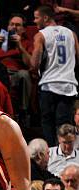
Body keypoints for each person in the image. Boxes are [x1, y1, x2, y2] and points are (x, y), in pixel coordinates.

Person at [31, 5, 78, 147]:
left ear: (45, 18)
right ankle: (68, 156)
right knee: (65, 124)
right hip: (68, 85)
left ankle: (52, 156)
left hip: (49, 84)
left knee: (48, 124)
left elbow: (34, 63)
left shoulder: (41, 35)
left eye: (36, 17)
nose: (34, 21)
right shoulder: (71, 33)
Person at [0, 14, 33, 122]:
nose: (14, 27)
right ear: (7, 27)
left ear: (24, 29)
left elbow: (30, 64)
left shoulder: (27, 42)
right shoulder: (0, 42)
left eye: (18, 25)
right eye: (12, 24)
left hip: (17, 73)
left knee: (24, 74)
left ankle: (24, 111)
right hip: (0, 73)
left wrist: (20, 46)